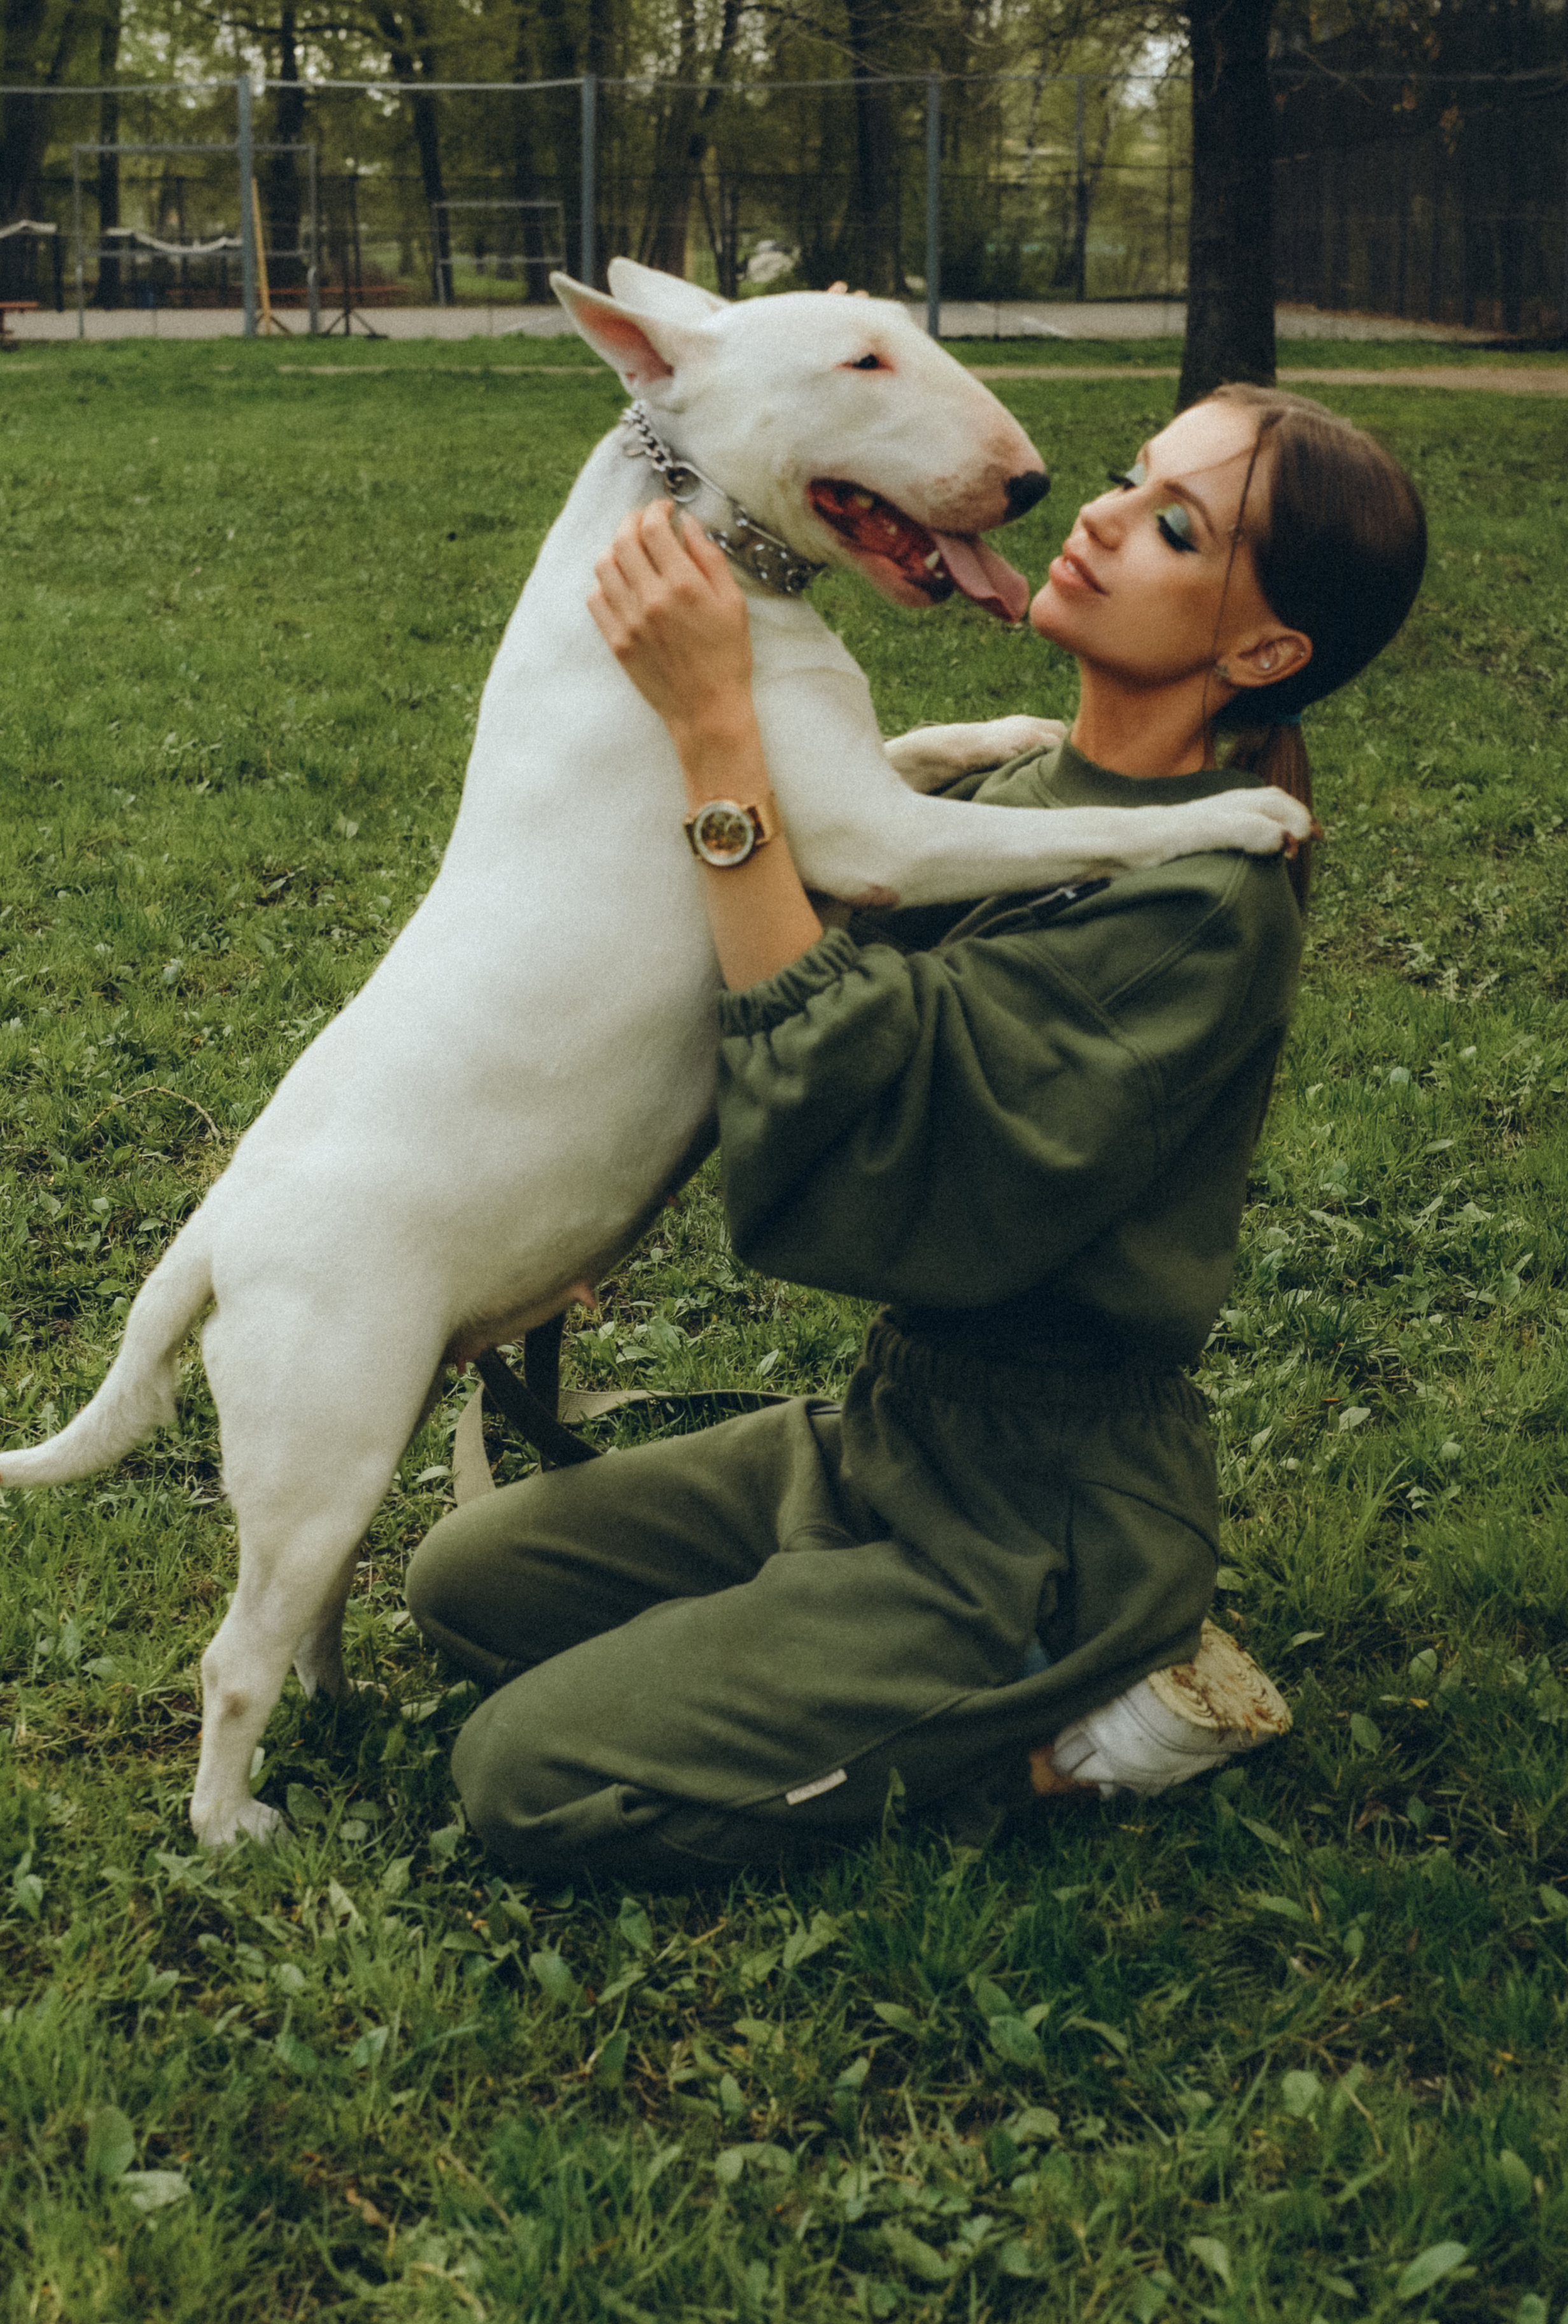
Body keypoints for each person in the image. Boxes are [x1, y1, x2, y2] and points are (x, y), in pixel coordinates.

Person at [406, 384, 1427, 1889]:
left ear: (1264, 651)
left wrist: (714, 736)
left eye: (1170, 526)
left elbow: (878, 1128)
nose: (1092, 515)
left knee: (526, 1780)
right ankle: (848, 1634)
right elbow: (778, 966)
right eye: (1127, 476)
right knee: (465, 1585)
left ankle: (1078, 1721)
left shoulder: (1202, 910)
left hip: (1035, 1517)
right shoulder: (1028, 790)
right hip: (889, 1431)